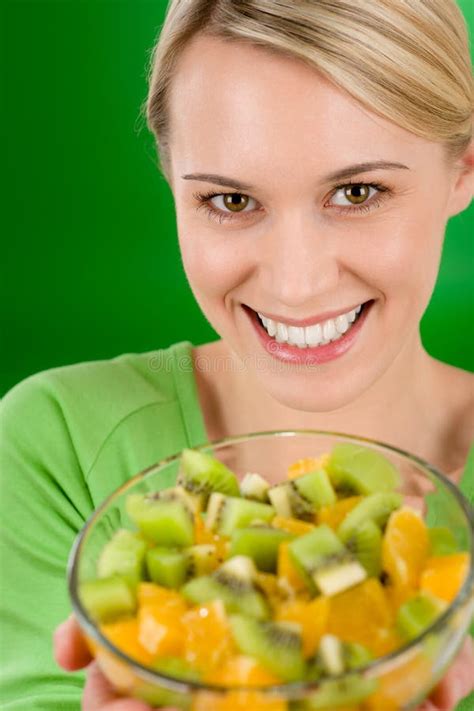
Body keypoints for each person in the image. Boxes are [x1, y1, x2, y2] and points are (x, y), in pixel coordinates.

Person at [1, 0, 473, 709]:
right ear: (171, 178)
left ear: (464, 171)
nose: (296, 282)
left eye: (358, 191)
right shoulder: (56, 445)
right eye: (230, 200)